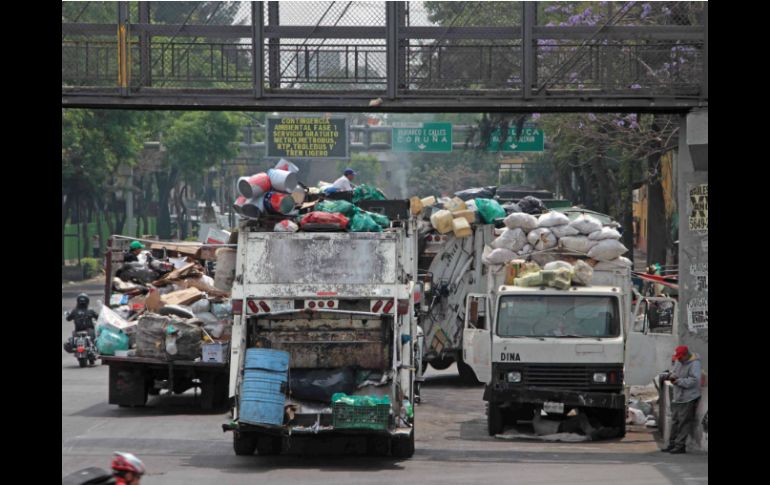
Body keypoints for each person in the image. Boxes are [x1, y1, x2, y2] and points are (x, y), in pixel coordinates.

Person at [660, 345, 702, 454]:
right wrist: (671, 376)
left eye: (680, 357)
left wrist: (678, 381)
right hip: (678, 396)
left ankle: (680, 446)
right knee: (675, 422)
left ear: (686, 354)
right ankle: (672, 444)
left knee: (684, 422)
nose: (678, 359)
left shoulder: (695, 364)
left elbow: (694, 381)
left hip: (688, 398)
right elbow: (675, 372)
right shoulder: (679, 361)